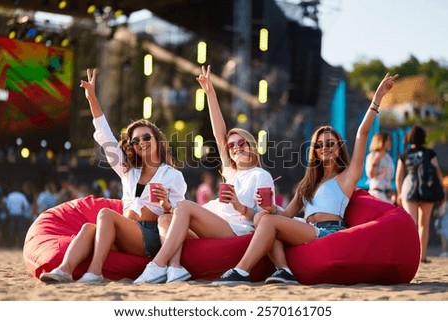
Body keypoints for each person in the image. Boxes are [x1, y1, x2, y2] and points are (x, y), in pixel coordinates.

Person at [212, 73, 399, 284]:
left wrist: (377, 99)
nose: (324, 148)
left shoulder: (346, 177)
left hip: (330, 232)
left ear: (339, 148)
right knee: (262, 218)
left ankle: (241, 270)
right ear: (315, 151)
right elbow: (287, 214)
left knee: (267, 220)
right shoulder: (308, 183)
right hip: (307, 228)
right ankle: (283, 271)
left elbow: (362, 134)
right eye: (319, 145)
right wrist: (268, 207)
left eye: (330, 143)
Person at [133, 65, 277, 284]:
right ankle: (175, 268)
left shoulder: (260, 175)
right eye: (231, 147)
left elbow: (263, 216)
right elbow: (220, 134)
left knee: (184, 206)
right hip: (217, 222)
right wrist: (210, 93)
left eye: (241, 143)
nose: (235, 148)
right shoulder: (231, 172)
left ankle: (157, 265)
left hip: (236, 229)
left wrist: (238, 205)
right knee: (165, 216)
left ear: (252, 146)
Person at [40, 68, 187, 283]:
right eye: (135, 141)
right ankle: (64, 270)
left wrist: (165, 203)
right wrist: (92, 97)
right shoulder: (128, 171)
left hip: (151, 235)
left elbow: (177, 218)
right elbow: (105, 135)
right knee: (88, 228)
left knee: (106, 214)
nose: (141, 142)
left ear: (157, 140)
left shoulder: (172, 175)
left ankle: (95, 271)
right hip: (126, 232)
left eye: (146, 137)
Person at [395, 125, 444, 263]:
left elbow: (399, 176)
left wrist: (399, 193)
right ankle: (422, 256)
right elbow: (437, 171)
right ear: (424, 138)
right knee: (424, 224)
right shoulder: (430, 153)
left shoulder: (404, 155)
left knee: (411, 224)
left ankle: (408, 254)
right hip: (427, 190)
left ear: (410, 138)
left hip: (409, 189)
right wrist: (440, 190)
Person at [365, 131, 395, 203]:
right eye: (388, 140)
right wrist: (376, 159)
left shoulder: (389, 158)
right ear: (381, 141)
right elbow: (370, 174)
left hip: (387, 195)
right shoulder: (372, 156)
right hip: (377, 193)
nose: (390, 142)